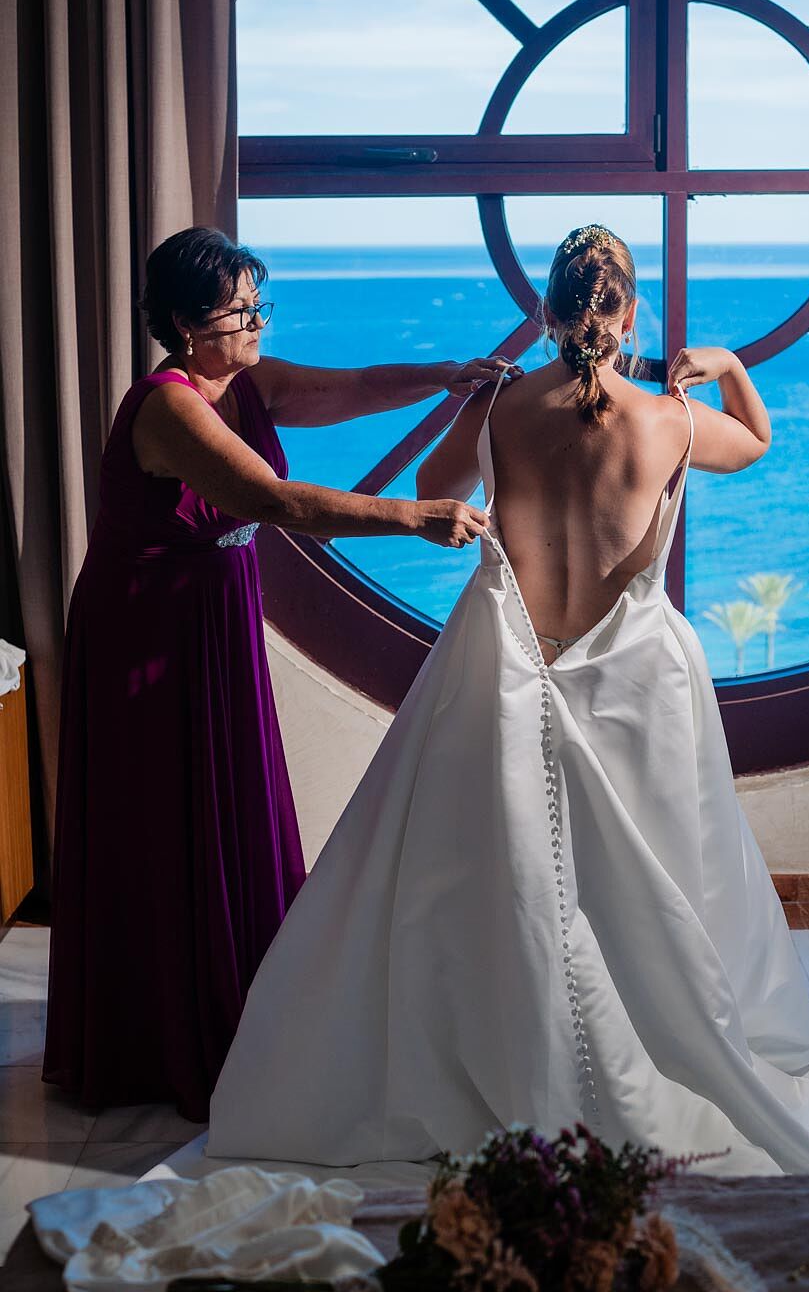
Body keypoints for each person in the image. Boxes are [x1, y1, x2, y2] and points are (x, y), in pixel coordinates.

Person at [207, 225, 809, 1176]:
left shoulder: (502, 411)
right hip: (636, 683)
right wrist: (725, 362)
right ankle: (653, 1038)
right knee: (661, 879)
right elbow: (759, 442)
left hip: (511, 672)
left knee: (495, 878)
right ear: (629, 314)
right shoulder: (672, 423)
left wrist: (479, 406)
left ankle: (498, 1043)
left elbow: (436, 490)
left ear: (550, 314)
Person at [42, 225, 521, 1122]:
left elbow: (342, 390)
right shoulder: (168, 407)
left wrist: (443, 377)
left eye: (261, 303)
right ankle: (161, 1035)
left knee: (222, 807)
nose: (259, 319)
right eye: (241, 307)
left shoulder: (245, 380)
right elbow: (275, 502)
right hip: (147, 629)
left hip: (211, 618)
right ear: (187, 322)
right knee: (161, 818)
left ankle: (237, 1001)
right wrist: (417, 517)